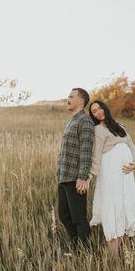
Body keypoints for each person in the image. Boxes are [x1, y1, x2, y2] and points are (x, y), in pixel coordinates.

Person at [88, 100, 135, 254]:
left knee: (124, 206)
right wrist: (89, 177)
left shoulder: (120, 126)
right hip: (110, 173)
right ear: (93, 115)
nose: (98, 112)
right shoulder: (98, 129)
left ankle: (120, 253)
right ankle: (112, 258)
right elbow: (97, 155)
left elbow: (131, 145)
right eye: (94, 111)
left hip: (125, 175)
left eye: (100, 108)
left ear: (105, 108)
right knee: (113, 206)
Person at [57, 88, 95, 250]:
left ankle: (86, 253)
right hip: (64, 176)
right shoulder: (73, 120)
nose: (68, 99)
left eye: (71, 96)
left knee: (79, 218)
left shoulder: (85, 121)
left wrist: (82, 176)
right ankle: (76, 247)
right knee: (64, 216)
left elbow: (86, 150)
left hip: (75, 177)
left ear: (81, 101)